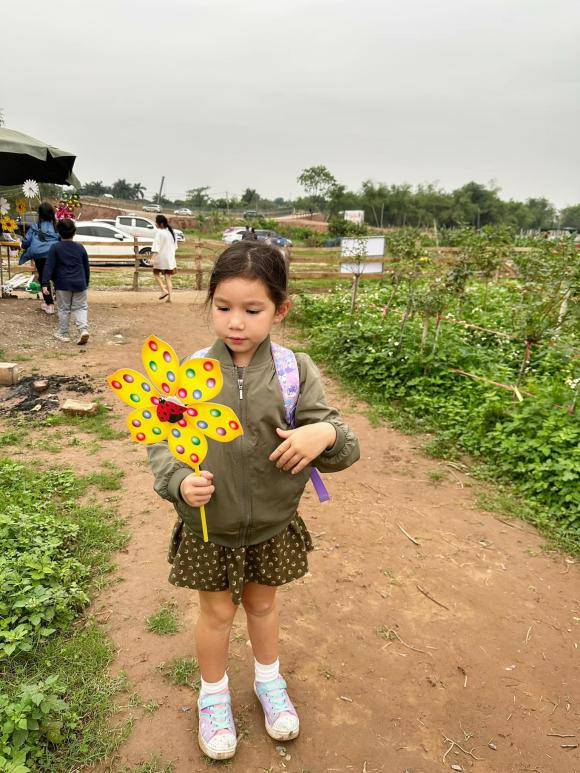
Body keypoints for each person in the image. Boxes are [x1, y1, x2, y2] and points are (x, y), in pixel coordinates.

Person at [148, 241, 360, 760]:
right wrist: (178, 482)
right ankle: (213, 696)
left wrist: (323, 435)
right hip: (209, 524)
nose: (235, 322)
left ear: (280, 310)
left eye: (252, 310)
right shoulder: (188, 372)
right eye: (223, 307)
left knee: (263, 605)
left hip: (272, 522)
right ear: (210, 302)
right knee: (216, 614)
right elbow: (163, 443)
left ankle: (269, 682)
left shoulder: (294, 371)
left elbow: (343, 442)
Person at [42, 218, 90, 345]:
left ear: (58, 232)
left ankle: (63, 333)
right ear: (74, 232)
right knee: (81, 307)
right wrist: (86, 282)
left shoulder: (55, 248)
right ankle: (83, 330)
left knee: (64, 309)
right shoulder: (80, 248)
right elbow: (86, 267)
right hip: (80, 282)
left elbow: (49, 266)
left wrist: (45, 283)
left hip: (62, 284)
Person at [20, 202, 59, 314]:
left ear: (40, 214)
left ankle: (49, 304)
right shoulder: (56, 227)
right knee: (56, 277)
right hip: (55, 255)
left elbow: (26, 242)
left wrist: (23, 245)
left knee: (43, 278)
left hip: (40, 257)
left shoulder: (35, 226)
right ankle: (62, 302)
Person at [151, 214, 177, 302]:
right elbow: (175, 247)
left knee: (156, 274)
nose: (156, 224)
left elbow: (156, 247)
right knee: (168, 277)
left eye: (156, 223)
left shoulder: (159, 232)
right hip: (170, 259)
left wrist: (152, 258)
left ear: (161, 224)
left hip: (161, 258)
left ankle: (163, 290)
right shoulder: (172, 233)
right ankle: (170, 298)